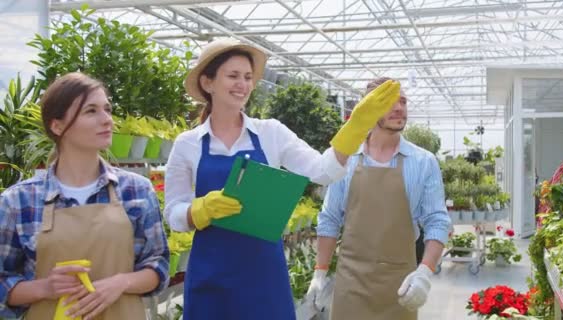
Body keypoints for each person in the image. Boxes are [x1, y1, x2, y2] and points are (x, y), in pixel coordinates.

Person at [164, 38, 400, 319]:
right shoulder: (188, 143)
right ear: (208, 82)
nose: (243, 84)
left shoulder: (271, 133)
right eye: (233, 76)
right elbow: (173, 212)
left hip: (263, 275)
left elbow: (323, 171)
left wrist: (355, 129)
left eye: (248, 77)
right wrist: (198, 210)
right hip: (211, 274)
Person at [0, 72, 170, 320]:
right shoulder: (20, 200)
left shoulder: (136, 190)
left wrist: (120, 283)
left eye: (107, 109)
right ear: (57, 126)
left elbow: (159, 264)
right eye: (91, 111)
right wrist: (44, 288)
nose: (107, 120)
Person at [307, 77, 451, 320]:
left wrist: (424, 272)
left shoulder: (423, 162)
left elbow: (437, 221)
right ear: (367, 109)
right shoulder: (347, 159)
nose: (399, 108)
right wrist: (319, 273)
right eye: (388, 102)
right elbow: (330, 218)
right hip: (350, 282)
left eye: (403, 102)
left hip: (401, 285)